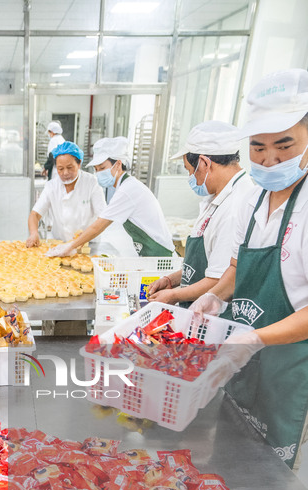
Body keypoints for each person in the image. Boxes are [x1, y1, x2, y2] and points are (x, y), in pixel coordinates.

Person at [190, 69, 308, 469]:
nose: (269, 158)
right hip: (243, 357)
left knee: (271, 478)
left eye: (285, 144)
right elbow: (241, 266)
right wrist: (214, 295)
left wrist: (254, 340)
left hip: (291, 367)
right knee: (230, 458)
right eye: (258, 147)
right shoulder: (253, 198)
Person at [147, 122, 253, 306]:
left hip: (212, 315)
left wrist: (173, 296)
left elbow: (218, 281)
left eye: (190, 171)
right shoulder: (219, 196)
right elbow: (206, 265)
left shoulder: (235, 208)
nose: (192, 179)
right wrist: (171, 280)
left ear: (204, 163)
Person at [47, 137, 173, 258]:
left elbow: (98, 226)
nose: (99, 173)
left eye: (102, 168)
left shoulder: (127, 190)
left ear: (118, 164)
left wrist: (69, 246)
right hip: (150, 253)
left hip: (160, 253)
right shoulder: (126, 186)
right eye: (96, 169)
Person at [26, 141, 106, 248]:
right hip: (60, 243)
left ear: (79, 164)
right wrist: (34, 233)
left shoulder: (91, 183)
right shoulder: (52, 186)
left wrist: (87, 235)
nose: (65, 173)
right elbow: (35, 215)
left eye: (70, 167)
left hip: (87, 244)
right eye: (60, 169)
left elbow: (103, 217)